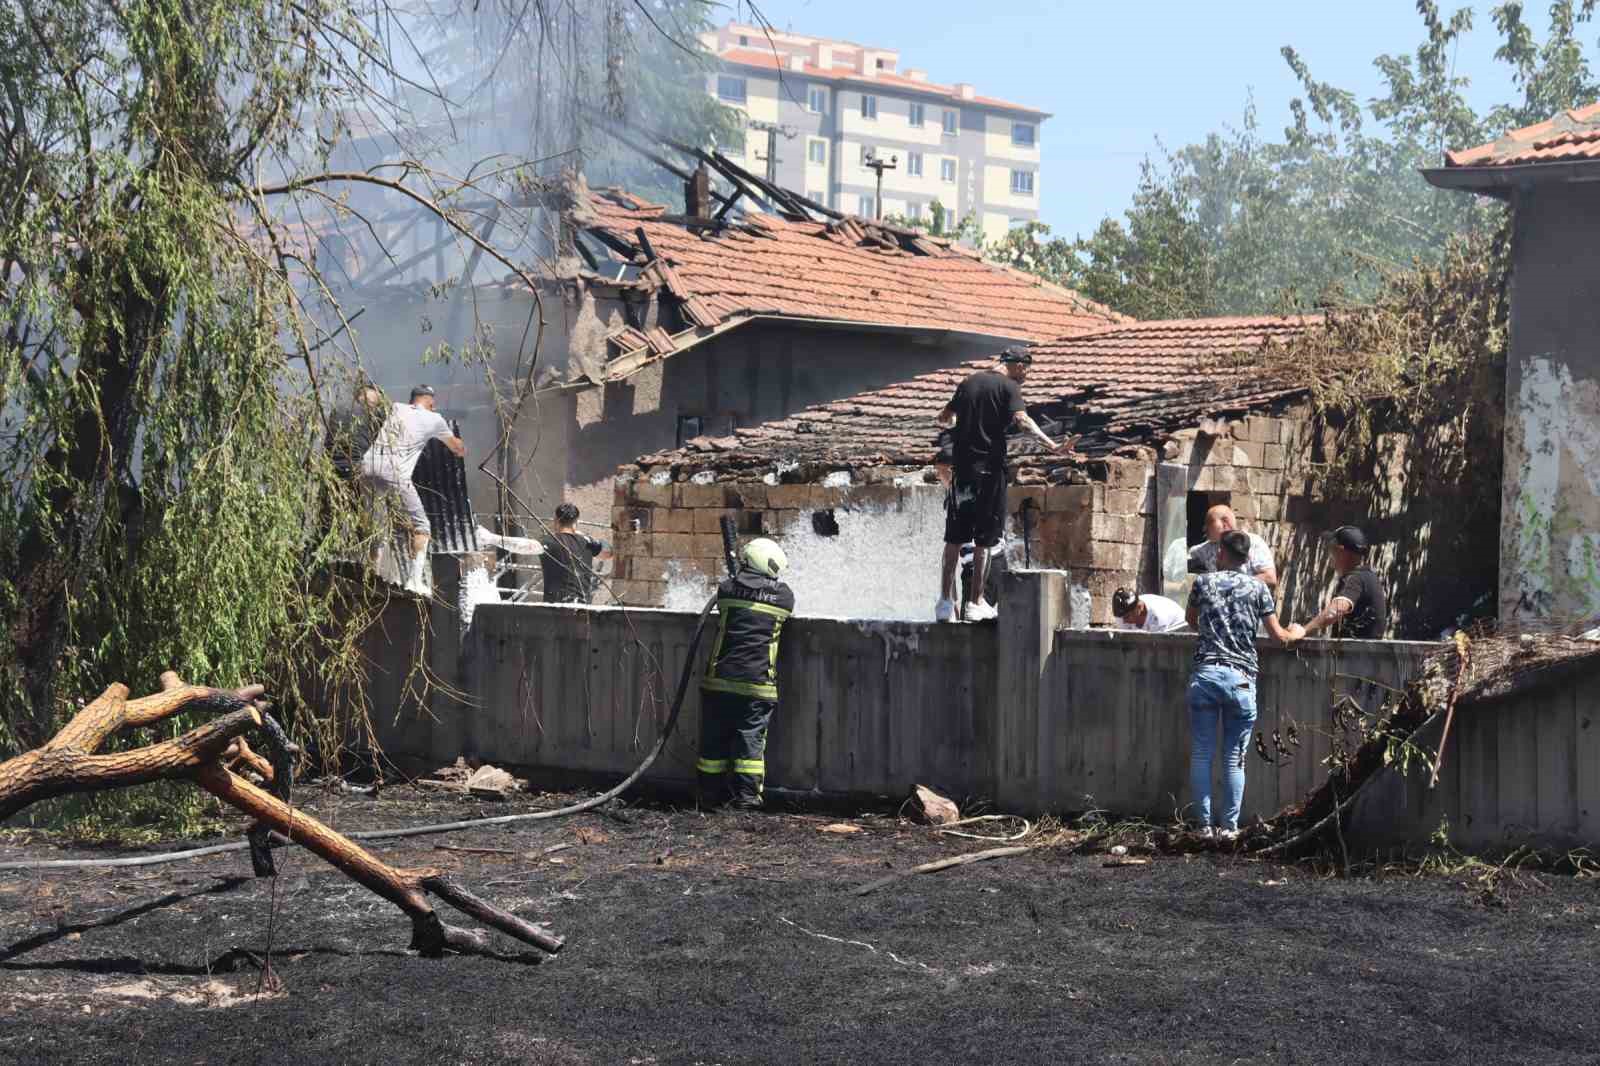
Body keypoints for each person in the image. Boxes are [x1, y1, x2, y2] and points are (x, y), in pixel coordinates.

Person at [935, 347, 1068, 623]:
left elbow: (944, 418)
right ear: (1017, 365)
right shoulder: (1008, 387)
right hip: (989, 473)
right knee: (985, 540)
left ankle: (945, 604)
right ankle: (975, 602)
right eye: (1027, 369)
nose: (1027, 375)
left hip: (962, 473)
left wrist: (965, 425)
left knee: (954, 540)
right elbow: (1023, 421)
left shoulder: (968, 382)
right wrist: (1052, 445)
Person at [1184, 531, 1299, 841]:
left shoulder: (1203, 583)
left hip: (1205, 674)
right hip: (1241, 678)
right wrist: (1298, 631)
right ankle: (1229, 828)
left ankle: (1203, 827)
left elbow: (1191, 619)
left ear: (1221, 553)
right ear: (1248, 558)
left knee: (1202, 754)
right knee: (1234, 758)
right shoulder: (1258, 588)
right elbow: (1278, 636)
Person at [698, 538, 795, 811]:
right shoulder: (784, 597)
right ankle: (747, 799)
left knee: (713, 742)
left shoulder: (727, 591)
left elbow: (731, 594)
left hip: (719, 681)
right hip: (758, 685)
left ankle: (708, 798)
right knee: (750, 742)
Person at [357, 384, 465, 595]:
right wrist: (457, 439)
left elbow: (371, 400)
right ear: (431, 403)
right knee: (422, 527)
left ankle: (371, 578)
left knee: (377, 528)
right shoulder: (435, 419)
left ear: (412, 400)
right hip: (395, 473)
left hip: (367, 467)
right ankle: (414, 581)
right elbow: (458, 450)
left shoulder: (397, 408)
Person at [1287, 525, 1388, 640]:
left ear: (1341, 552)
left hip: (1356, 656)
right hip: (1366, 654)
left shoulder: (1356, 579)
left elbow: (1337, 609)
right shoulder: (1369, 576)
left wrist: (1303, 630)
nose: (1330, 556)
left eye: (1332, 549)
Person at [1187, 504, 1278, 588]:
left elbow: (1269, 577)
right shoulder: (1200, 550)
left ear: (1225, 522)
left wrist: (1230, 585)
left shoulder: (1254, 543)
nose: (1205, 528)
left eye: (1209, 522)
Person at [539, 503, 612, 604]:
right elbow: (608, 553)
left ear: (556, 520)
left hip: (554, 607)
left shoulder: (547, 542)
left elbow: (524, 547)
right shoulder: (587, 543)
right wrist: (587, 537)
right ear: (576, 523)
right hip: (582, 608)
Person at [1111, 588, 1187, 633]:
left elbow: (1158, 648)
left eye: (1127, 617)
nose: (1124, 621)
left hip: (1181, 630)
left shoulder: (1158, 616)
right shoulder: (1122, 614)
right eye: (1122, 617)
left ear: (1139, 607)